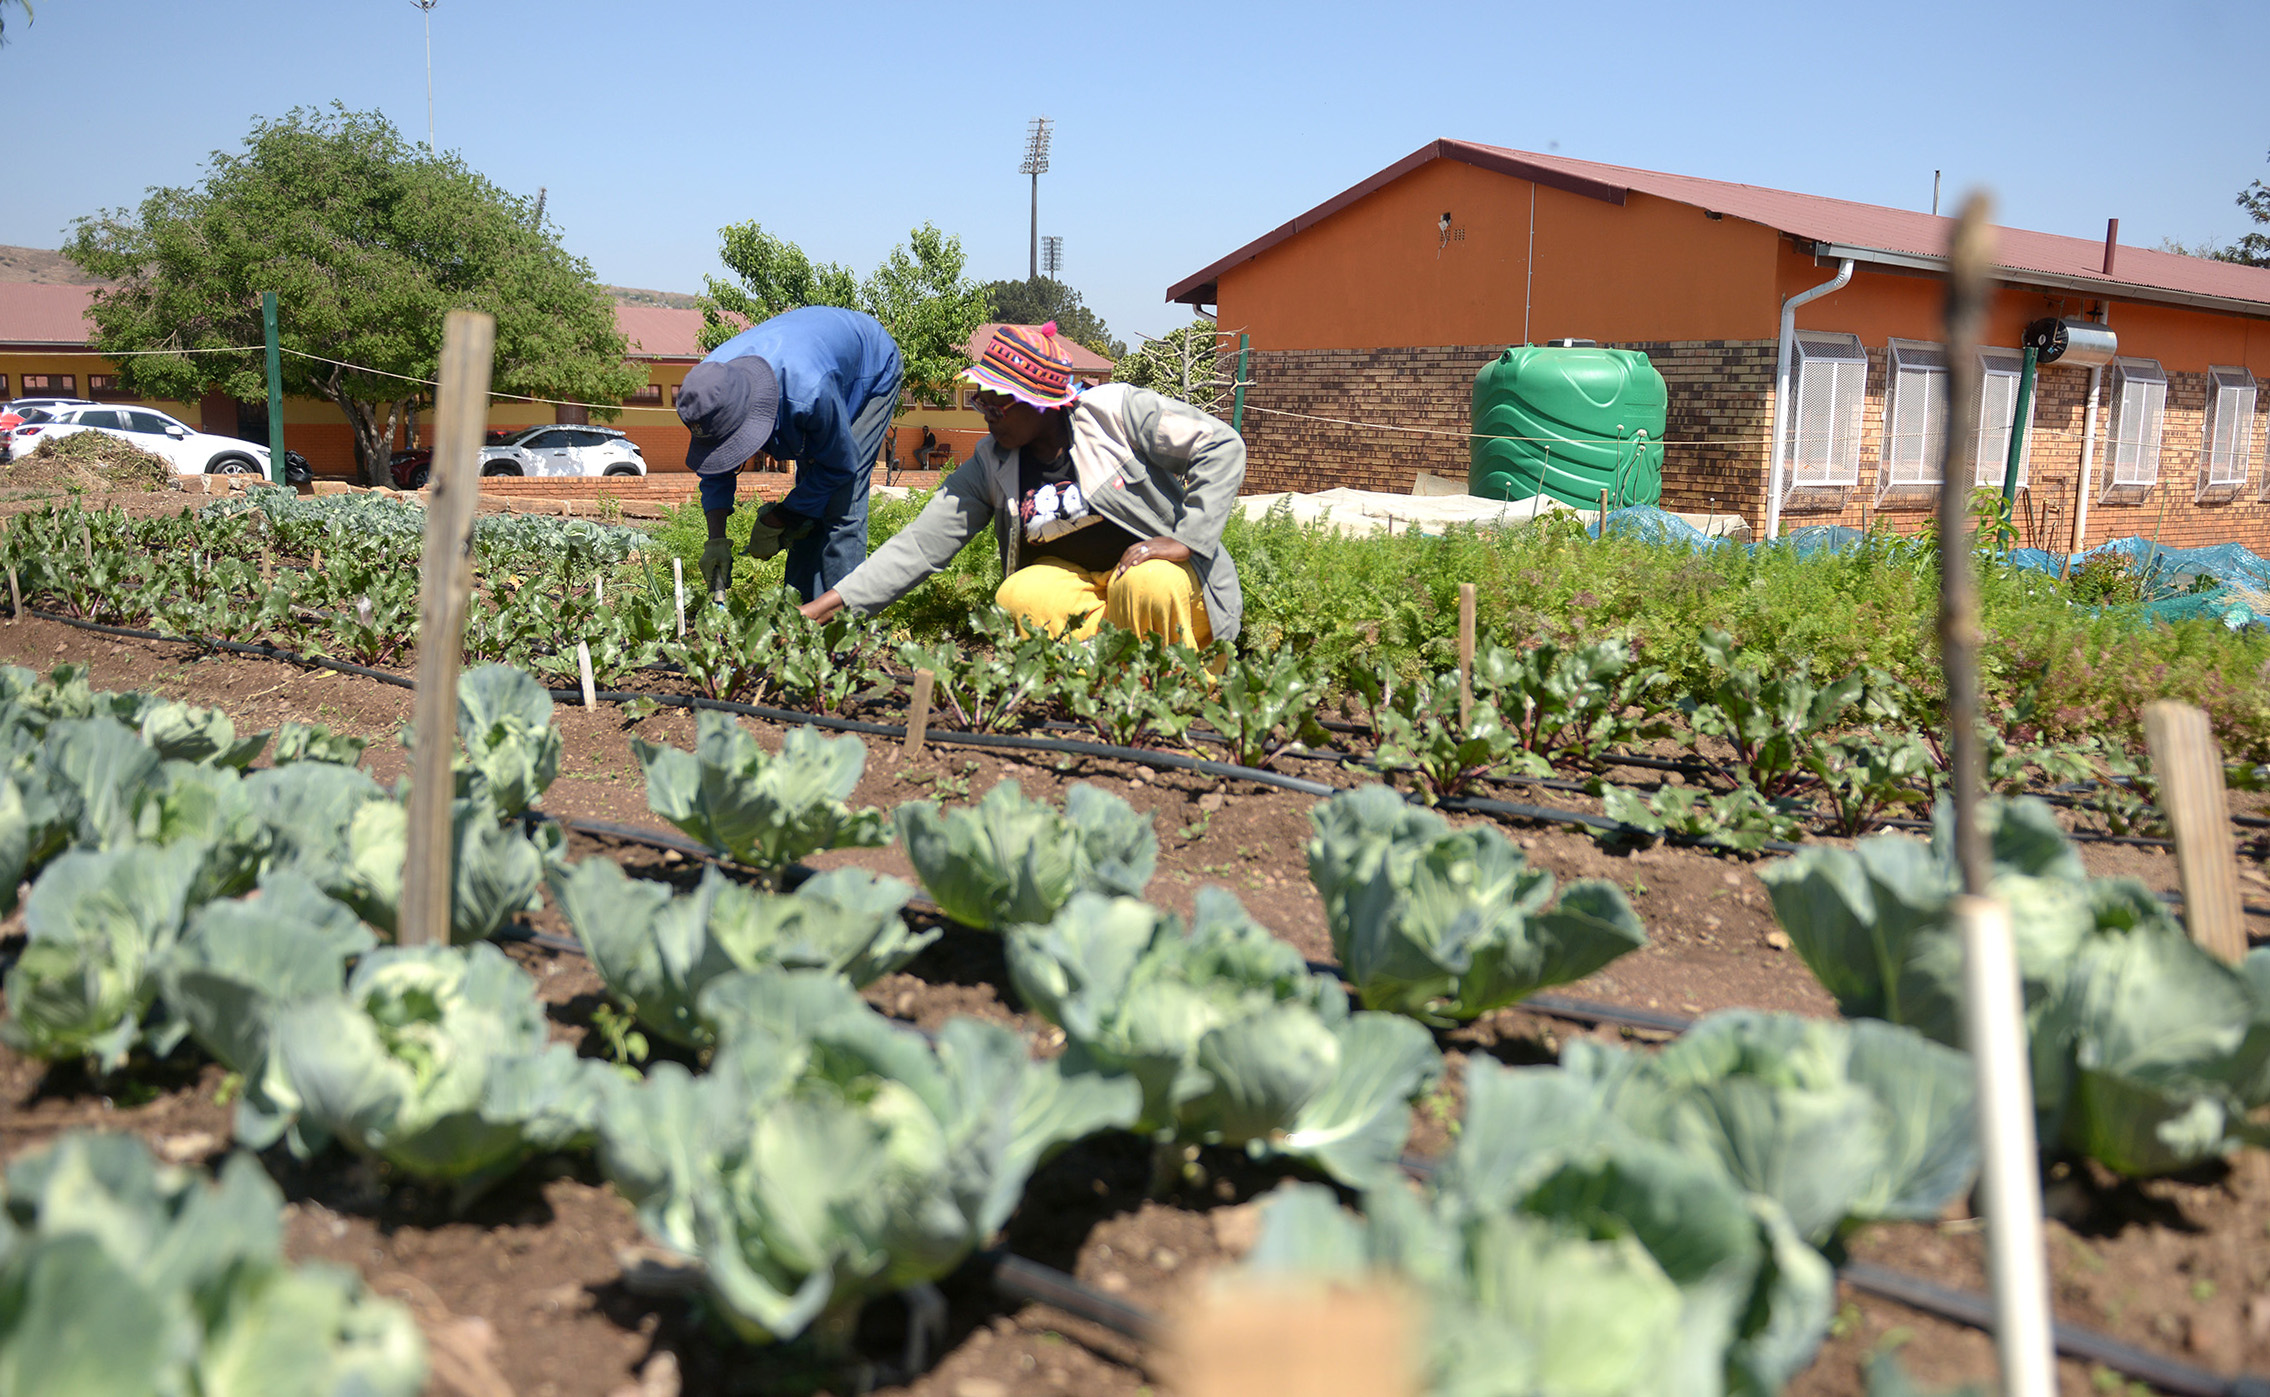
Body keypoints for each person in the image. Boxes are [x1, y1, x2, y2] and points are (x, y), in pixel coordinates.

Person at [799, 322, 1245, 649]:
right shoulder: (992, 463)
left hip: (1169, 593)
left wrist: (1186, 539)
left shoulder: (1115, 415)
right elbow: (918, 547)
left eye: (1002, 399)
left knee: (1146, 583)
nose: (987, 410)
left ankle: (1180, 688)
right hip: (1092, 601)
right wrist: (822, 611)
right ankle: (1102, 689)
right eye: (981, 397)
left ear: (1045, 402)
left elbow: (1221, 446)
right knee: (1020, 595)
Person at [676, 305, 903, 602]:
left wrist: (780, 518)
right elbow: (715, 467)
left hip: (870, 369)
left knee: (841, 507)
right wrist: (715, 539)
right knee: (810, 511)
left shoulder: (808, 392)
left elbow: (839, 467)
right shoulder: (708, 390)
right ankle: (796, 616)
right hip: (812, 363)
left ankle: (841, 629)